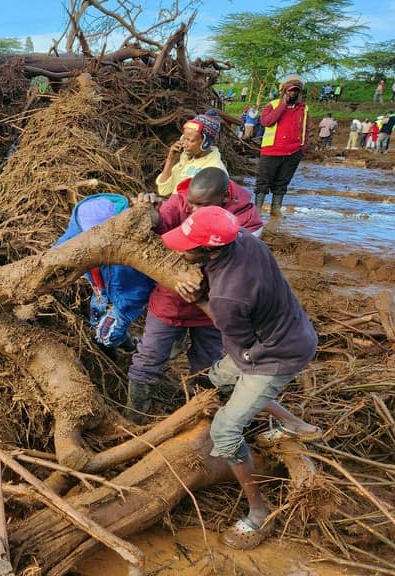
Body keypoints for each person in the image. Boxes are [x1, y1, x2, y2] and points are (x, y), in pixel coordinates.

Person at [163, 205, 320, 550]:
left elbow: (232, 334)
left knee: (225, 428)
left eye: (188, 245)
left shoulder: (228, 296)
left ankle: (258, 511)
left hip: (276, 355)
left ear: (210, 249)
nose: (180, 248)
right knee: (220, 379)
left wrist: (198, 297)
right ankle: (296, 425)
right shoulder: (246, 240)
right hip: (290, 329)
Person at [128, 167, 263, 423]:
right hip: (170, 300)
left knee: (207, 365)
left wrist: (203, 287)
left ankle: (199, 418)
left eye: (200, 205)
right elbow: (159, 230)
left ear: (223, 198)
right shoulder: (181, 201)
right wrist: (148, 212)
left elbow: (243, 268)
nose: (191, 209)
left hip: (213, 307)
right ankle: (135, 420)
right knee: (148, 359)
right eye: (190, 202)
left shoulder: (245, 218)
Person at [54, 194, 155, 359]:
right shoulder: (79, 229)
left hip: (125, 297)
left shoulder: (127, 253)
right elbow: (60, 249)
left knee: (106, 334)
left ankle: (122, 345)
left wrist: (123, 308)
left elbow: (139, 288)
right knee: (96, 319)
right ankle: (123, 342)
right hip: (100, 289)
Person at [254, 74, 308, 217]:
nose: (293, 93)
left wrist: (302, 148)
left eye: (296, 91)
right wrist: (283, 105)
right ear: (284, 91)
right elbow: (266, 122)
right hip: (271, 151)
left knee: (282, 183)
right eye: (290, 90)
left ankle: (276, 209)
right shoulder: (272, 105)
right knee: (263, 182)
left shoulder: (303, 108)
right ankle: (257, 211)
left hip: (293, 152)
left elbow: (306, 129)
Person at [156, 110, 228, 197]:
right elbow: (163, 190)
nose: (185, 144)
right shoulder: (186, 160)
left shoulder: (215, 170)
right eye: (184, 138)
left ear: (206, 142)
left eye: (190, 140)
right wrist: (170, 160)